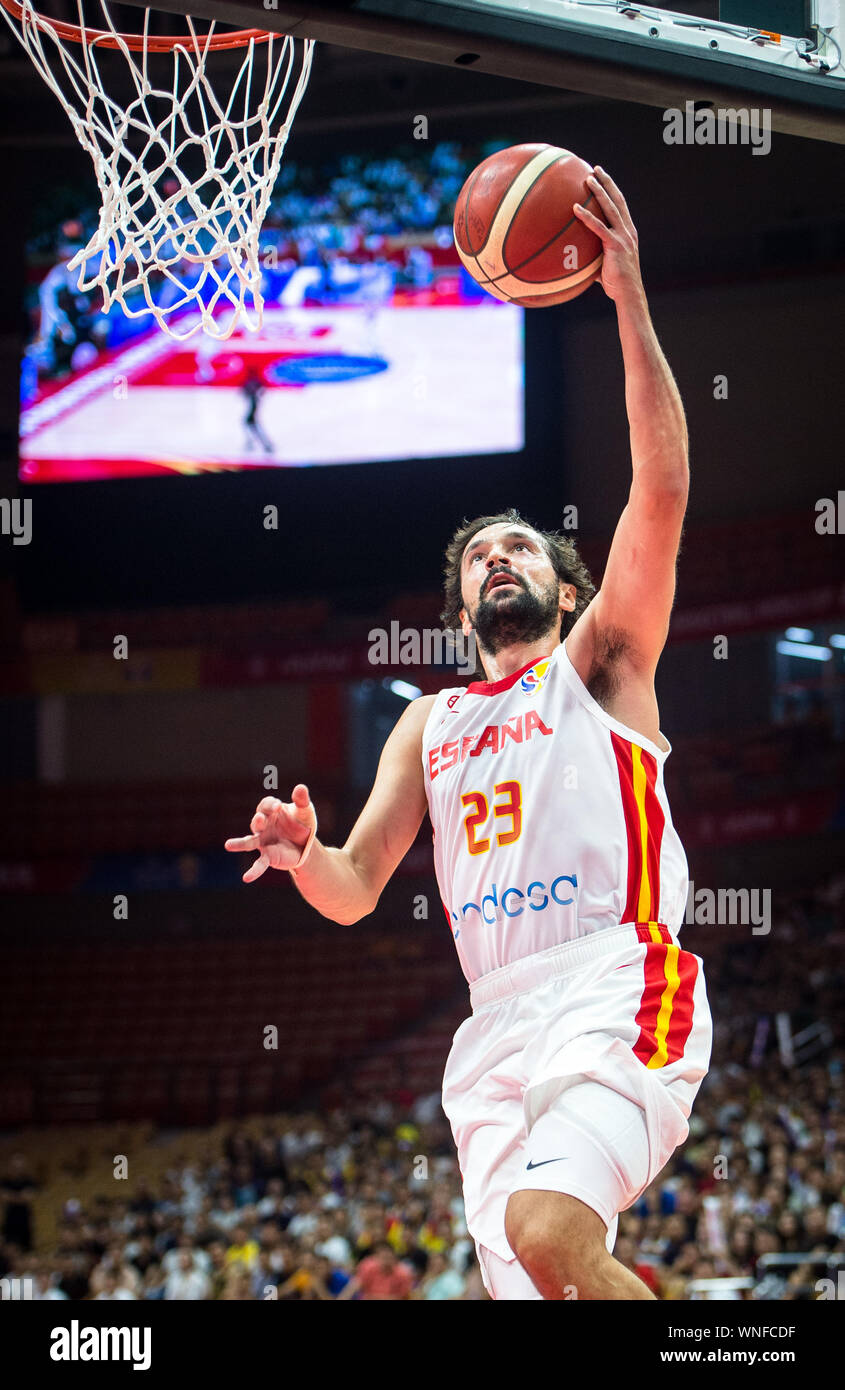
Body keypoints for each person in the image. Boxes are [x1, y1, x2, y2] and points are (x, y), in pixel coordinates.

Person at [225, 166, 712, 1301]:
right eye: (479, 556)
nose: (499, 556)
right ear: (457, 615)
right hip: (493, 1032)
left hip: (609, 979)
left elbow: (662, 486)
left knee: (548, 1231)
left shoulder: (602, 662)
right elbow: (354, 887)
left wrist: (626, 296)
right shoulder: (430, 723)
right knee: (534, 1284)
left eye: (521, 545)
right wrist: (305, 858)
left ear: (562, 582)